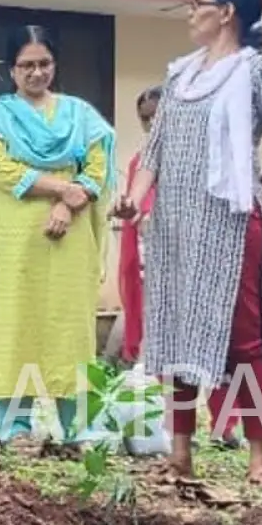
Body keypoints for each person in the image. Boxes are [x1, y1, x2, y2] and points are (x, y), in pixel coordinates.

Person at [116, 0, 262, 485]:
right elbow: (154, 153)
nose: (188, 12)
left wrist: (252, 187)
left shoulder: (259, 72)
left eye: (197, 4)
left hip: (229, 222)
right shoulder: (179, 77)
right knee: (175, 328)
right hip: (175, 223)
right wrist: (133, 203)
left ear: (226, 13)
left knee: (243, 338)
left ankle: (259, 456)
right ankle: (180, 451)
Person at [0, 25, 114, 443]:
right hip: (12, 244)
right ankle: (14, 424)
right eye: (26, 65)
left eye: (44, 63)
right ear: (11, 71)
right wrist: (60, 187)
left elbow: (98, 170)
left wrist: (69, 204)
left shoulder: (80, 115)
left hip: (69, 243)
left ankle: (78, 425)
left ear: (55, 65)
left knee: (70, 327)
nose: (36, 73)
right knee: (14, 324)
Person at [112, 87, 162, 365]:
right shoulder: (139, 159)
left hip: (185, 246)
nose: (152, 122)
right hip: (149, 247)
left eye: (157, 114)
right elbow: (138, 205)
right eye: (145, 118)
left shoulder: (193, 155)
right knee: (148, 309)